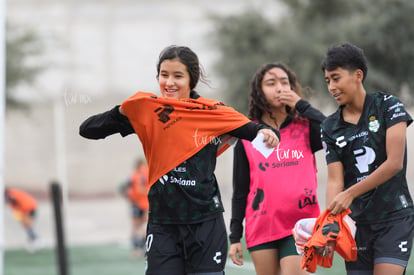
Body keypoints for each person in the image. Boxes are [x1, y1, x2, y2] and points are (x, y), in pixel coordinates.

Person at [79, 45, 281, 275]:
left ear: (191, 80)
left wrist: (268, 133)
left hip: (205, 223)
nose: (169, 82)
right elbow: (87, 130)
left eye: (178, 76)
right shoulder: (148, 110)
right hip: (163, 224)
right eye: (164, 75)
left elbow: (258, 131)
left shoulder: (213, 112)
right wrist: (120, 112)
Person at [320, 42, 414, 274]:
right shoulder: (329, 126)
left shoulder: (388, 106)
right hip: (357, 224)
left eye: (336, 78)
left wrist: (350, 193)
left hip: (394, 218)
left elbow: (394, 164)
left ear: (358, 75)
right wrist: (331, 224)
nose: (331, 87)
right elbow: (335, 181)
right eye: (327, 81)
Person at [228, 62, 326, 274]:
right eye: (271, 83)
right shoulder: (249, 135)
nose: (279, 87)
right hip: (261, 225)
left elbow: (335, 134)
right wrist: (235, 236)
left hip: (302, 225)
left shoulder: (307, 127)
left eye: (285, 82)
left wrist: (301, 104)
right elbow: (240, 190)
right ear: (259, 91)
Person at [119, 158, 150, 258]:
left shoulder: (143, 173)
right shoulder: (135, 175)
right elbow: (126, 189)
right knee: (138, 226)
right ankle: (137, 247)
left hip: (143, 204)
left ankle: (140, 246)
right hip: (138, 203)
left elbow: (126, 189)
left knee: (142, 226)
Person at [5, 187, 39, 252]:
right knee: (26, 224)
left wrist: (18, 212)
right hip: (27, 207)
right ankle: (33, 238)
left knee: (27, 224)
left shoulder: (10, 194)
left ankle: (35, 239)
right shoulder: (12, 193)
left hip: (28, 207)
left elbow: (12, 200)